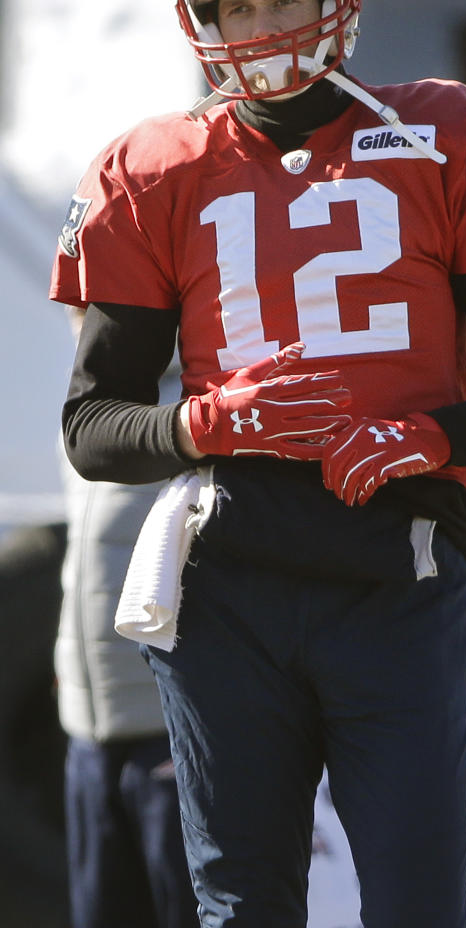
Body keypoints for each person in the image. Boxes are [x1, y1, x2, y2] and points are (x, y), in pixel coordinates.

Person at [49, 0, 466, 928]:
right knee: (243, 908)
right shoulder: (151, 169)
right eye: (237, 7)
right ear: (201, 19)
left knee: (412, 905)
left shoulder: (452, 135)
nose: (263, 27)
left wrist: (426, 437)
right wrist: (199, 424)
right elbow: (93, 425)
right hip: (230, 586)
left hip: (397, 575)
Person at [56, 317, 196, 928]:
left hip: (168, 731)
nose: (81, 315)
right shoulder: (89, 414)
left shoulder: (190, 412)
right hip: (88, 730)